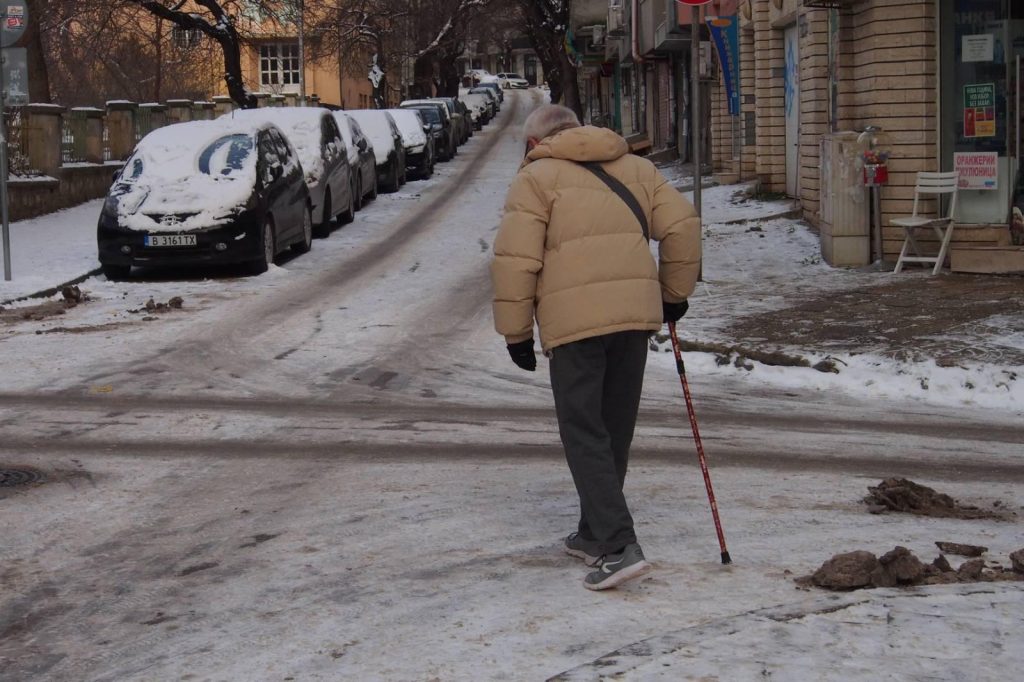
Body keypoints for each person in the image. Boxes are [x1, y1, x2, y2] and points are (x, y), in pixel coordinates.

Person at [490, 105, 701, 590]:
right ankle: (593, 532)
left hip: (574, 325)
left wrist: (516, 334)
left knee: (584, 430)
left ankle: (618, 544)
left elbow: (516, 261)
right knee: (613, 428)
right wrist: (674, 294)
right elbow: (683, 226)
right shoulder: (637, 167)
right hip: (634, 316)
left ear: (534, 143)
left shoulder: (535, 178)